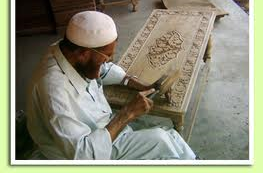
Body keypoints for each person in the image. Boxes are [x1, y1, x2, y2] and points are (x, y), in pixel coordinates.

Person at [26, 11, 196, 160]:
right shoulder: (54, 91)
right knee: (161, 140)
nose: (108, 62)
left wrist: (136, 83)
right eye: (106, 56)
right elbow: (84, 155)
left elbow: (102, 69)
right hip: (88, 151)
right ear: (83, 54)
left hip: (103, 128)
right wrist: (126, 114)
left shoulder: (68, 50)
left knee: (169, 139)